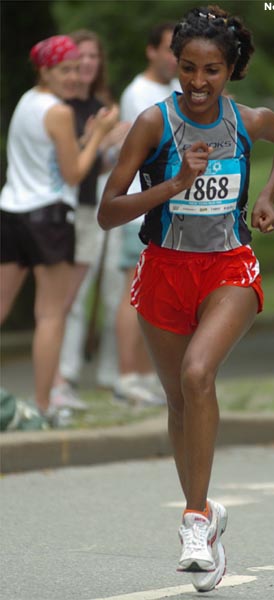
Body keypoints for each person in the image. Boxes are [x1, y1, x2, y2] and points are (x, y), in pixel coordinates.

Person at [98, 5, 274, 592]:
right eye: (187, 68)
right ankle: (209, 515)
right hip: (163, 269)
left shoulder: (247, 120)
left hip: (228, 268)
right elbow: (109, 210)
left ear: (231, 69)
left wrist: (266, 196)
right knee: (179, 403)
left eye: (211, 69)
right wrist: (173, 185)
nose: (198, 82)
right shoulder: (152, 124)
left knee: (197, 374)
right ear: (173, 65)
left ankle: (192, 521)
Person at [0, 35, 118, 423]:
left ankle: (42, 403)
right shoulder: (61, 112)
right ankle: (44, 406)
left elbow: (56, 155)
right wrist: (100, 136)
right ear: (44, 69)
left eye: (74, 69)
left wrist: (88, 137)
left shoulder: (27, 102)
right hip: (50, 218)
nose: (72, 77)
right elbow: (74, 172)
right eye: (63, 70)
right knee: (51, 315)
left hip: (11, 212)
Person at [51, 30, 129, 411]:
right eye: (80, 56)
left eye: (94, 56)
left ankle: (113, 375)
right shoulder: (58, 107)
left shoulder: (102, 104)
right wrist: (100, 138)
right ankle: (62, 377)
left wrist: (118, 144)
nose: (87, 63)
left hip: (105, 206)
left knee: (117, 291)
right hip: (70, 210)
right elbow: (68, 166)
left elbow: (101, 165)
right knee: (73, 298)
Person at [114, 22, 180, 405]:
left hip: (167, 210)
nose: (174, 57)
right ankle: (127, 375)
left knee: (154, 297)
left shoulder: (173, 90)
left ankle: (144, 373)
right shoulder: (138, 93)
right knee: (131, 295)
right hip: (141, 212)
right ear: (151, 51)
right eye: (169, 49)